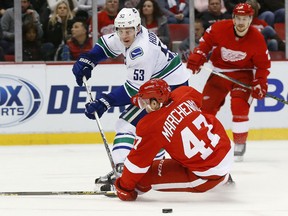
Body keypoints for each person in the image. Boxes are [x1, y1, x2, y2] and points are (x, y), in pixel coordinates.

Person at [72, 8, 191, 188]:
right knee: (156, 132)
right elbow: (104, 46)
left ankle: (122, 173)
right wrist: (87, 59)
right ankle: (146, 171)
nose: (124, 35)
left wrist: (104, 102)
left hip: (169, 91)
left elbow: (133, 90)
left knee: (127, 125)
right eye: (121, 31)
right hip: (167, 87)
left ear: (137, 28)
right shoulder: (129, 34)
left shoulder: (140, 51)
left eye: (128, 31)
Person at [113, 78, 234, 201]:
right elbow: (200, 104)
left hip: (206, 176)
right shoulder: (185, 92)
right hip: (225, 150)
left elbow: (137, 164)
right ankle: (223, 175)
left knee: (142, 178)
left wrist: (124, 188)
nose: (144, 107)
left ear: (155, 103)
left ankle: (219, 179)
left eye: (145, 102)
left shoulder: (150, 125)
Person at [186, 3, 270, 161]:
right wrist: (199, 55)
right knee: (206, 109)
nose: (241, 22)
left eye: (245, 19)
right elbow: (205, 43)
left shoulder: (257, 38)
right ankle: (204, 143)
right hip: (220, 73)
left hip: (243, 75)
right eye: (238, 18)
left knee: (239, 107)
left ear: (251, 19)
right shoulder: (219, 28)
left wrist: (260, 82)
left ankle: (239, 144)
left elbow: (263, 65)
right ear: (233, 18)